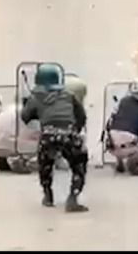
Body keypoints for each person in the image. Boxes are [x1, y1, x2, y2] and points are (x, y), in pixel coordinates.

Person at [21, 64, 89, 212]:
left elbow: (25, 117)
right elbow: (82, 116)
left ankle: (47, 195)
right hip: (69, 134)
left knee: (45, 164)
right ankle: (73, 197)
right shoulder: (69, 95)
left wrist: (32, 109)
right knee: (79, 165)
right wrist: (75, 130)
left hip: (48, 135)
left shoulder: (35, 97)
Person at [0, 98, 39, 174]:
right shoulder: (33, 115)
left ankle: (4, 158)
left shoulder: (10, 108)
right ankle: (20, 160)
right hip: (18, 147)